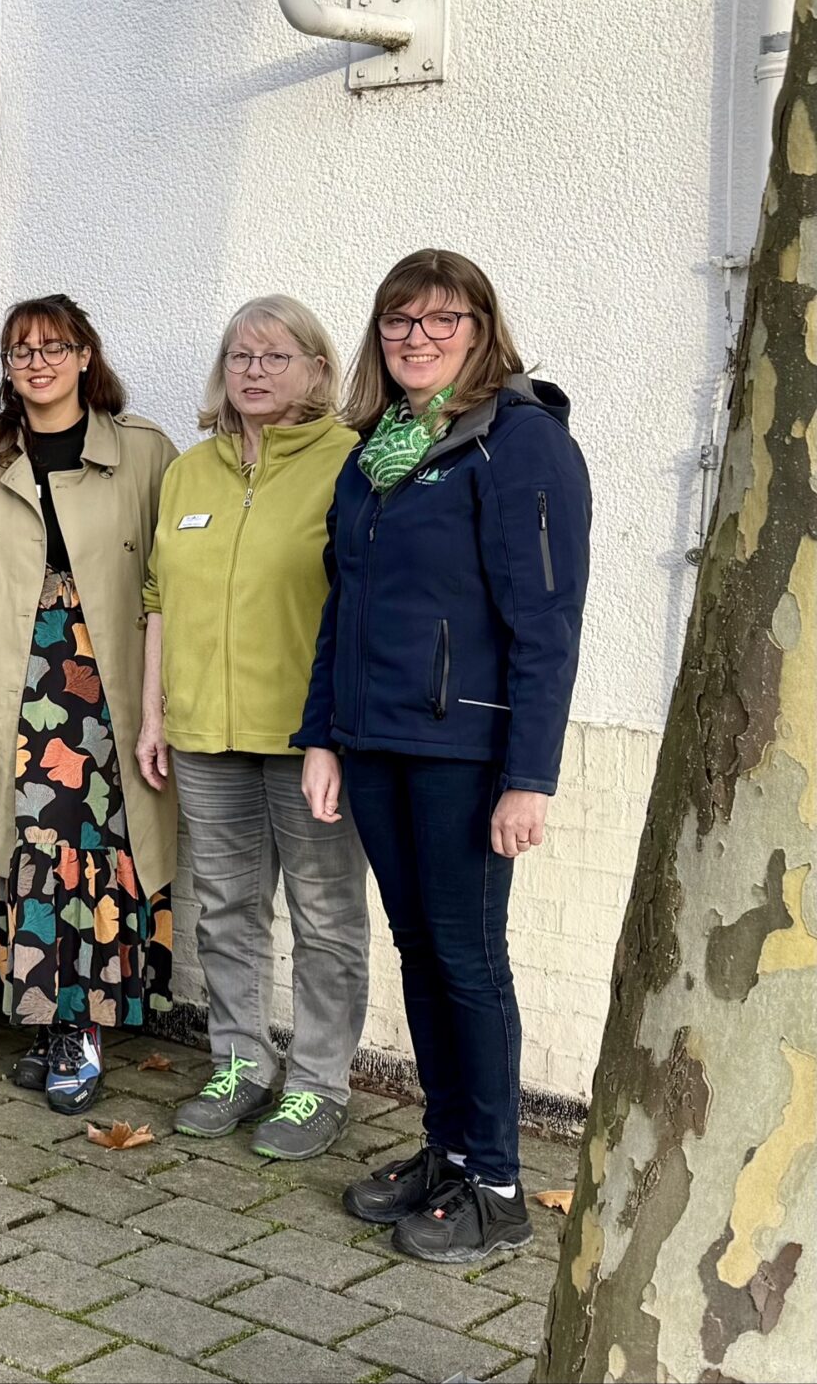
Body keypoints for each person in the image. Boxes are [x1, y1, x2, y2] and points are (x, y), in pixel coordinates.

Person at [299, 249, 590, 1266]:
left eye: (440, 320)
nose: (416, 338)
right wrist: (324, 734)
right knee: (421, 952)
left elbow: (546, 623)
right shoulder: (375, 451)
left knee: (469, 959)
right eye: (398, 321)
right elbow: (342, 603)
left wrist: (529, 776)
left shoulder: (520, 440)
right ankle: (449, 1150)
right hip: (377, 741)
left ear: (480, 328)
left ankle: (498, 1185)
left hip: (466, 750)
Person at [0, 296, 177, 1116]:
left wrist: (169, 697)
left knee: (90, 849)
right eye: (21, 350)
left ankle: (80, 1025)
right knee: (27, 849)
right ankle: (47, 1017)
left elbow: (173, 582)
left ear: (85, 355)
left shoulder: (142, 450)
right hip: (9, 676)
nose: (37, 362)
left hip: (105, 683)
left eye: (54, 347)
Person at [135, 297, 369, 1160]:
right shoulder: (191, 471)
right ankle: (240, 1060)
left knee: (325, 915)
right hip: (204, 730)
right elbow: (158, 599)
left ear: (318, 368)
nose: (255, 371)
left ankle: (318, 1083)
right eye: (241, 355)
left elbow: (365, 601)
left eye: (276, 356)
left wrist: (340, 730)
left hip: (310, 739)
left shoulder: (351, 461)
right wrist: (156, 713)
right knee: (228, 909)